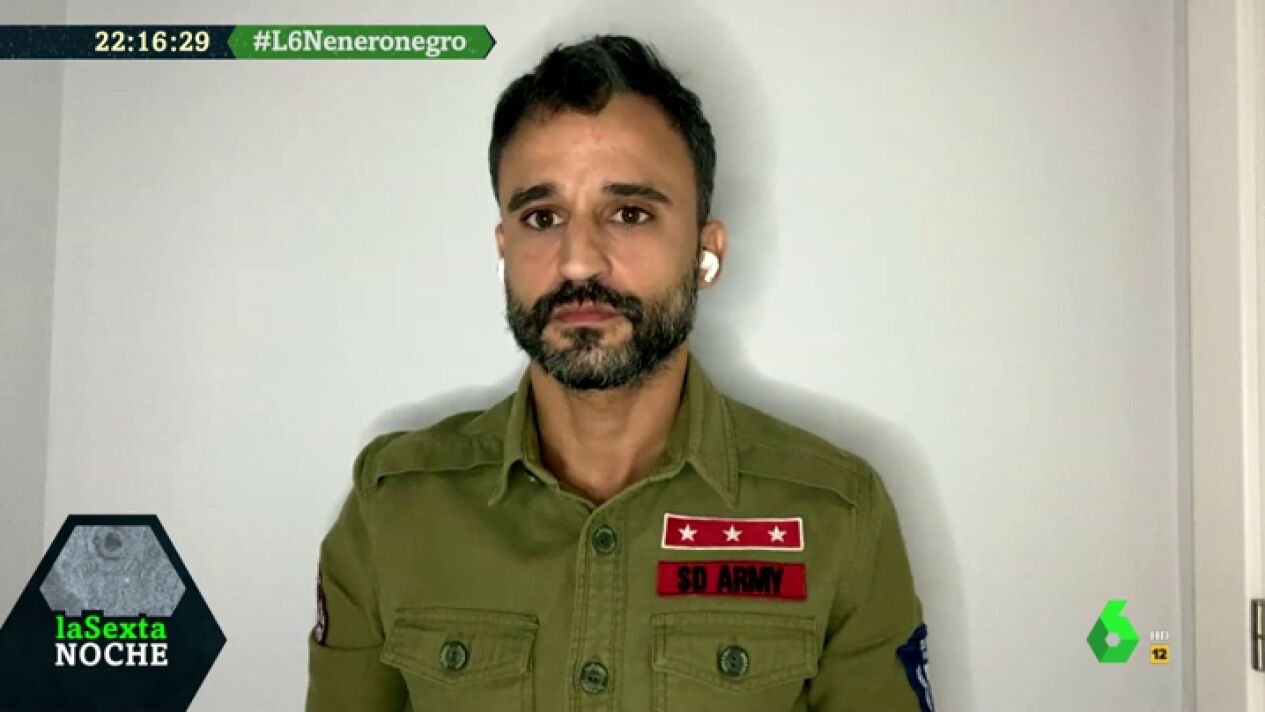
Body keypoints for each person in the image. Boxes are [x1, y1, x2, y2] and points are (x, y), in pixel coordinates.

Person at [306, 33, 933, 712]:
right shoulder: (393, 509)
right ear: (503, 249)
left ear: (706, 252)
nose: (578, 261)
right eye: (542, 217)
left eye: (629, 214)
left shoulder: (837, 517)